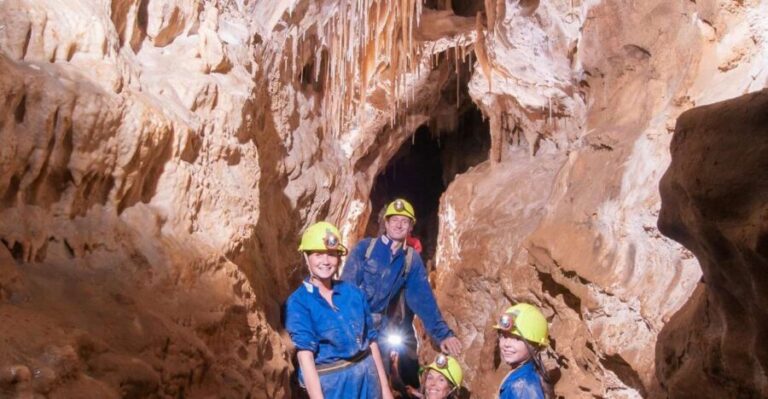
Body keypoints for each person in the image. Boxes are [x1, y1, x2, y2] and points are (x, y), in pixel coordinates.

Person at [340, 198, 462, 393]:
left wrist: (443, 335)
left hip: (380, 334)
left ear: (410, 227)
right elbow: (345, 290)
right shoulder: (366, 249)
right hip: (353, 328)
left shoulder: (411, 261)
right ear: (386, 223)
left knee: (376, 387)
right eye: (394, 219)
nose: (398, 224)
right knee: (347, 383)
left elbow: (423, 301)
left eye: (404, 221)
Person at [285, 221, 394, 399]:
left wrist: (386, 390)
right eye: (318, 255)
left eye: (331, 254)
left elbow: (371, 341)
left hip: (368, 379)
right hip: (335, 387)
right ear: (306, 257)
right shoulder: (299, 302)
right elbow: (306, 358)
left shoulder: (353, 293)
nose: (326, 261)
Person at [493, 303, 554, 399]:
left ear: (535, 345)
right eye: (504, 336)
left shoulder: (521, 386)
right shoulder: (524, 374)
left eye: (517, 338)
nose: (506, 344)